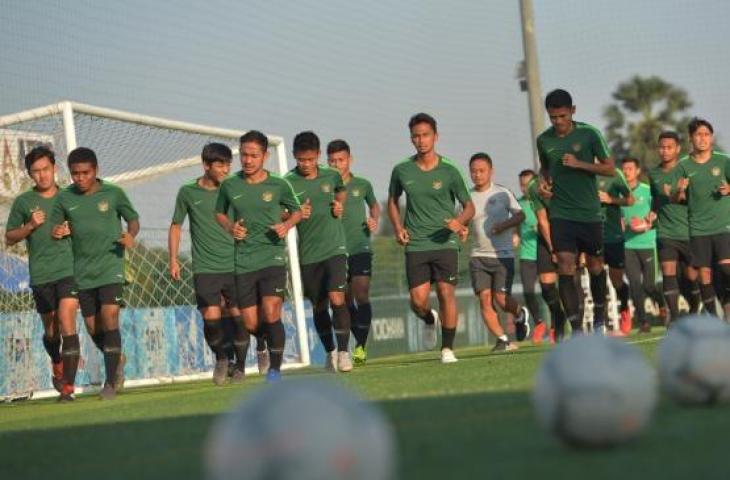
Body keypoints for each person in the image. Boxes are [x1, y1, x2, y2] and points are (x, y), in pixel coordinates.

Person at [51, 147, 139, 400]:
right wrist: (58, 231)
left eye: (85, 173)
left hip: (111, 266)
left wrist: (130, 235)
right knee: (93, 328)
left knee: (110, 316)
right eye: (75, 174)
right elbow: (56, 227)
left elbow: (133, 220)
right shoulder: (65, 198)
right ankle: (117, 358)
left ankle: (110, 383)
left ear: (96, 170)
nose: (80, 178)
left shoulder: (113, 193)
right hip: (83, 272)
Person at [387, 113, 474, 363]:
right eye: (416, 136)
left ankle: (447, 349)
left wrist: (460, 222)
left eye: (425, 135)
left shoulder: (450, 170)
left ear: (436, 136)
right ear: (411, 139)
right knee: (418, 301)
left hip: (445, 241)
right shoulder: (402, 170)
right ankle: (428, 318)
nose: (421, 140)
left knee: (447, 292)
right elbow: (393, 201)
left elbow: (468, 206)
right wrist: (397, 227)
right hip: (416, 243)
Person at [216, 131, 302, 382]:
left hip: (272, 258)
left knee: (272, 311)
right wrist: (231, 228)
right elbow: (219, 213)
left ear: (265, 155)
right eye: (244, 154)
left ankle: (274, 371)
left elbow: (296, 212)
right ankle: (262, 344)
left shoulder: (279, 184)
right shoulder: (230, 185)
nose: (248, 160)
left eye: (254, 155)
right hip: (244, 261)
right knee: (252, 323)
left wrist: (286, 226)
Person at [536, 89, 615, 335]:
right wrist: (544, 185)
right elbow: (545, 170)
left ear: (573, 110)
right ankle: (578, 328)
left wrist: (580, 164)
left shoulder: (589, 134)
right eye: (553, 118)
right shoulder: (544, 140)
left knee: (595, 266)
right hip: (561, 214)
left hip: (589, 213)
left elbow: (610, 169)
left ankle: (600, 319)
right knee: (566, 266)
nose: (558, 122)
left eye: (562, 116)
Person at [5, 146, 80, 401]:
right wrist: (29, 226)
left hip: (69, 270)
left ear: (54, 169)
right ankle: (56, 359)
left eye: (46, 169)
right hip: (41, 274)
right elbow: (9, 237)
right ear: (30, 174)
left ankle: (68, 388)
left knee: (67, 319)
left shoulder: (70, 197)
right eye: (36, 171)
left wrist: (72, 228)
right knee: (51, 329)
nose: (42, 175)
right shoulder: (24, 202)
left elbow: (86, 227)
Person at [169, 143, 245, 386]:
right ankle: (222, 358)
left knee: (239, 316)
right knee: (210, 318)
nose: (226, 169)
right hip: (205, 267)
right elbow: (176, 226)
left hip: (235, 263)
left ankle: (241, 366)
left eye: (228, 164)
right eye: (220, 164)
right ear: (206, 165)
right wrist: (173, 259)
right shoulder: (187, 192)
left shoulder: (234, 189)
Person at [284, 131, 353, 372]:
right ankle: (330, 352)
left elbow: (340, 191)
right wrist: (294, 215)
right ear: (294, 156)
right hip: (308, 254)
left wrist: (339, 204)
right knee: (319, 306)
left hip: (335, 247)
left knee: (337, 297)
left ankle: (345, 352)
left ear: (318, 156)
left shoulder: (332, 175)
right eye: (301, 160)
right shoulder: (287, 181)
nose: (306, 164)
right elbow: (278, 213)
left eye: (311, 159)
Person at [466, 153, 529, 352]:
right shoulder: (467, 197)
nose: (477, 175)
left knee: (501, 300)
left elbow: (521, 215)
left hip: (503, 256)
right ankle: (502, 340)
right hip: (478, 256)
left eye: (481, 171)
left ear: (491, 172)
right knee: (484, 299)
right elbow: (463, 221)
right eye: (473, 171)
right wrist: (461, 229)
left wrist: (504, 225)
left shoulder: (502, 193)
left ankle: (519, 314)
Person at [326, 139, 380, 365]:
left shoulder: (363, 184)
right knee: (344, 300)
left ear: (350, 160)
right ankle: (355, 344)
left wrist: (373, 220)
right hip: (334, 250)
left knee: (361, 292)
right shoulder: (324, 186)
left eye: (341, 159)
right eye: (332, 160)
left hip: (360, 247)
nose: (337, 164)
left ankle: (360, 346)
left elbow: (375, 206)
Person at [674, 118, 730, 320]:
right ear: (691, 138)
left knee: (725, 269)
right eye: (699, 135)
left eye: (707, 134)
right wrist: (680, 190)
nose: (703, 138)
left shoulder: (723, 160)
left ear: (711, 138)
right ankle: (714, 321)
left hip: (724, 226)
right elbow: (677, 199)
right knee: (704, 276)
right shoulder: (683, 166)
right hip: (698, 229)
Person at [648, 131, 701, 323]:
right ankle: (675, 319)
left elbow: (695, 199)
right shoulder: (653, 173)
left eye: (669, 147)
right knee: (667, 269)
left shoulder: (687, 169)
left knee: (691, 276)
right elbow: (655, 199)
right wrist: (652, 213)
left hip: (689, 231)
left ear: (678, 149)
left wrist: (681, 193)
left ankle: (694, 308)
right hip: (666, 232)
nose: (665, 151)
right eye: (662, 147)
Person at [622, 158, 666, 331]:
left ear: (637, 171)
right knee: (634, 284)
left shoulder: (648, 191)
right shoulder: (619, 194)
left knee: (649, 285)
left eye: (630, 168)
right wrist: (625, 223)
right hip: (628, 245)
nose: (627, 172)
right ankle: (643, 322)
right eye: (624, 168)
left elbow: (658, 213)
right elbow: (617, 217)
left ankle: (662, 306)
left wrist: (646, 223)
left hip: (648, 243)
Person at [525, 170, 567, 341]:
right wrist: (552, 248)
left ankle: (578, 326)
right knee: (546, 286)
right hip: (547, 237)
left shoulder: (569, 180)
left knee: (569, 282)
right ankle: (558, 315)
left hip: (570, 233)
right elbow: (542, 221)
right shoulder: (534, 186)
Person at [596, 166, 633, 334]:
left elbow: (630, 200)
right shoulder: (579, 174)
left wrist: (611, 200)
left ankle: (624, 308)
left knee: (616, 280)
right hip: (591, 234)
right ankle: (601, 323)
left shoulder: (614, 173)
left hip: (613, 236)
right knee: (596, 278)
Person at [516, 169, 548, 343]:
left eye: (528, 184)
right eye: (522, 185)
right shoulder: (518, 204)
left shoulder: (544, 201)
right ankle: (539, 323)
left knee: (549, 292)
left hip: (545, 253)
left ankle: (555, 327)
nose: (525, 188)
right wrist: (515, 235)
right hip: (527, 254)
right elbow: (515, 224)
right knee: (528, 292)